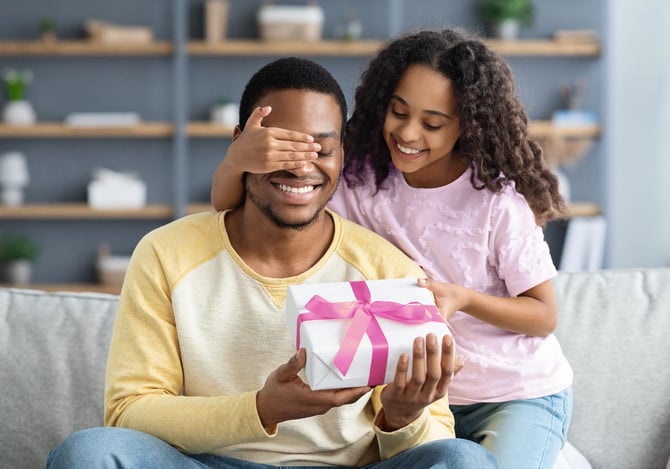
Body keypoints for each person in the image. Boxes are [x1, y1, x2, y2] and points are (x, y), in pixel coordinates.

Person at [46, 57, 498, 469]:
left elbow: (436, 441)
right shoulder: (167, 254)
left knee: (465, 460)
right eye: (281, 147)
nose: (301, 167)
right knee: (87, 454)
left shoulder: (388, 268)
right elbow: (130, 411)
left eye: (321, 149)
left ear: (342, 155)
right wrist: (261, 409)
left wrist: (403, 416)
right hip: (209, 463)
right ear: (241, 145)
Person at [210, 29, 573, 469]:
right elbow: (232, 205)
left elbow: (543, 315)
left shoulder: (496, 203)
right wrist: (237, 159)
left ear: (468, 125)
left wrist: (462, 298)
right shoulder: (362, 180)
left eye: (432, 124)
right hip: (416, 400)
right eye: (398, 112)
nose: (407, 133)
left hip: (516, 394)